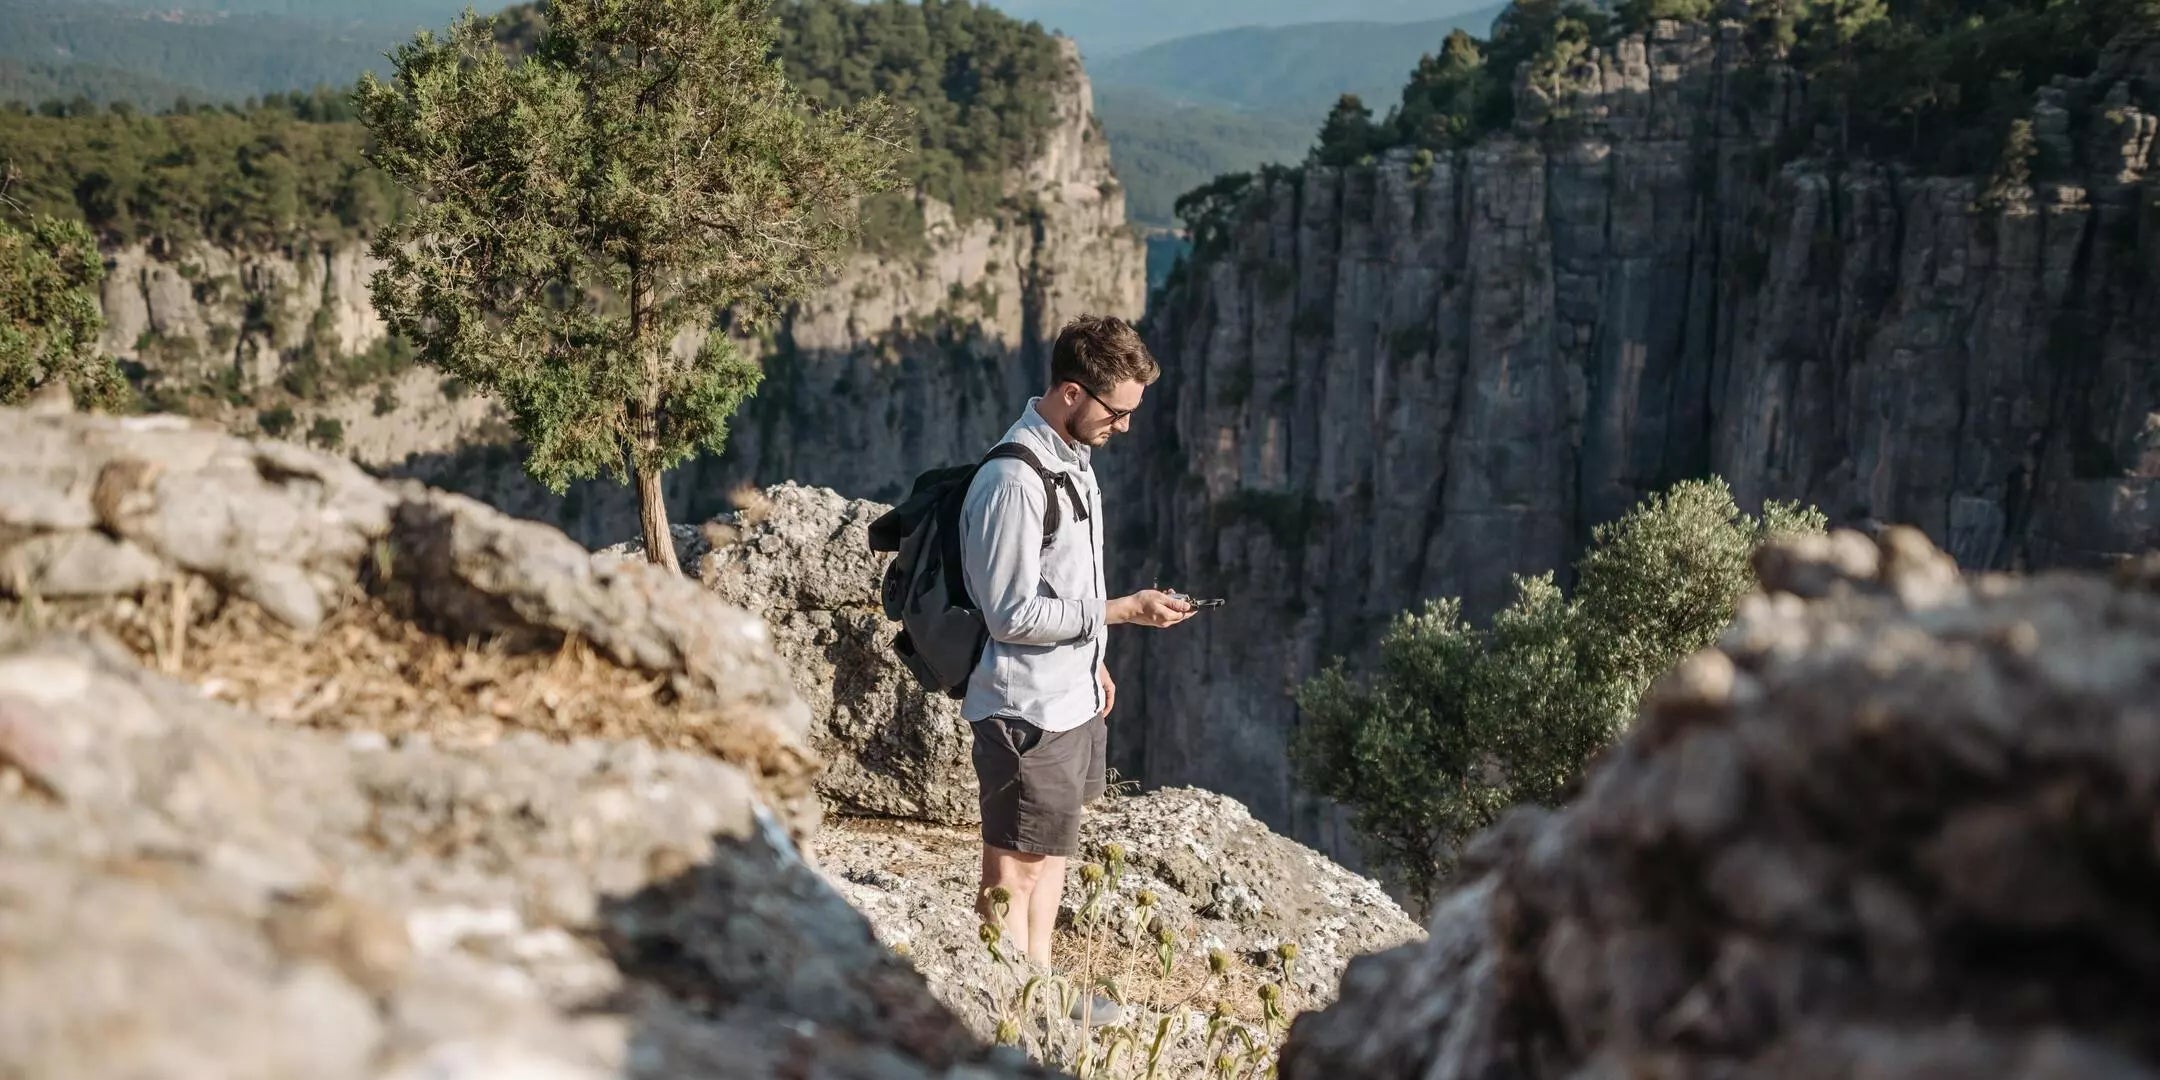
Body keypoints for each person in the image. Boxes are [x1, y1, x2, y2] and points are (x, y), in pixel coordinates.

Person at [958, 313, 1194, 1012]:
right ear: (1070, 392)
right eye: (1117, 412)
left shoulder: (1072, 461)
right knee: (1012, 868)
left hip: (1070, 700)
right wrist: (1117, 613)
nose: (1123, 427)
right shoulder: (1015, 480)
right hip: (1023, 710)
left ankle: (1041, 991)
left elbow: (1065, 587)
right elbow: (1011, 614)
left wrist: (1093, 662)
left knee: (1050, 856)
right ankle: (1001, 1010)